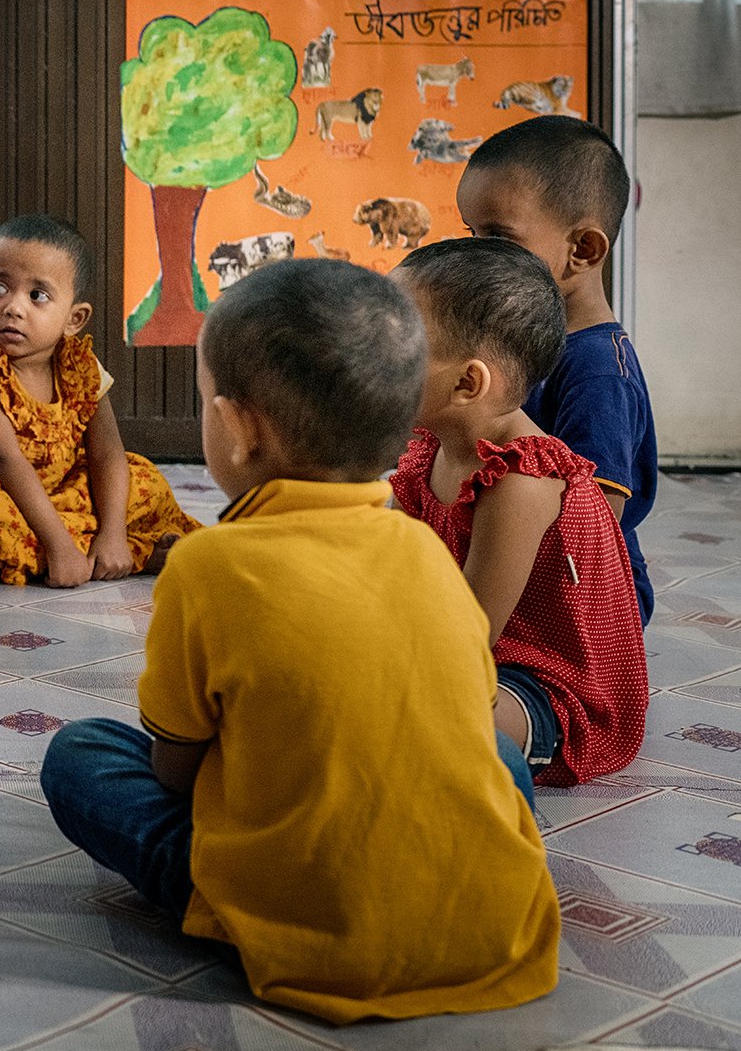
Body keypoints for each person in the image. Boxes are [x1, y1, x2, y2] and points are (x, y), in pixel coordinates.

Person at [39, 260, 557, 1026]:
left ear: (241, 428)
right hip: (493, 928)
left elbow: (175, 775)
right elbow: (471, 719)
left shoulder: (207, 566)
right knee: (499, 761)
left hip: (312, 938)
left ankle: (249, 908)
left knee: (80, 756)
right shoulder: (426, 553)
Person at [389, 238, 647, 786]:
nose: (366, 360)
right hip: (453, 646)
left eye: (393, 347)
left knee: (430, 715)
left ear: (467, 382)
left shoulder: (520, 484)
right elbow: (384, 567)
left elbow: (469, 637)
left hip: (543, 684)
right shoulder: (427, 448)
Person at [0, 214, 198, 590]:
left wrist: (113, 532)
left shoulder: (80, 366)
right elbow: (5, 461)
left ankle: (109, 547)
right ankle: (100, 551)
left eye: (38, 296)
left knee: (142, 476)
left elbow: (107, 454)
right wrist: (59, 545)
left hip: (54, 489)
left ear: (74, 318)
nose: (14, 307)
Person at [459, 117, 658, 625]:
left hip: (586, 596)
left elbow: (593, 523)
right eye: (471, 234)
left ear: (583, 250)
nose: (478, 256)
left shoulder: (597, 371)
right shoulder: (519, 340)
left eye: (499, 237)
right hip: (516, 558)